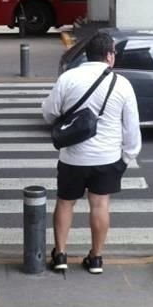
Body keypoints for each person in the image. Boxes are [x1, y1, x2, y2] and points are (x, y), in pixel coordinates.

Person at [41, 33, 142, 274]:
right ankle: (96, 258)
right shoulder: (122, 84)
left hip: (73, 157)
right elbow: (132, 128)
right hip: (107, 158)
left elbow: (49, 112)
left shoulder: (69, 78)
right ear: (109, 55)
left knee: (66, 203)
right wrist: (127, 157)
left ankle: (60, 254)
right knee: (100, 205)